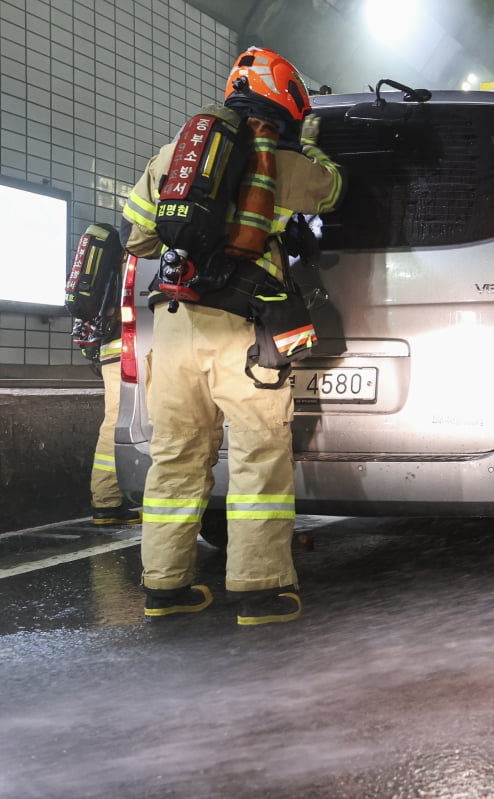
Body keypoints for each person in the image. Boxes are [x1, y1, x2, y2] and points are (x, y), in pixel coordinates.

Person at [121, 46, 345, 624]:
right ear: (285, 99)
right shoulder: (280, 157)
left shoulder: (180, 152)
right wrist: (313, 142)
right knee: (257, 461)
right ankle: (259, 591)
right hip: (242, 330)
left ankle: (165, 589)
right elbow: (332, 191)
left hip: (172, 328)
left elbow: (139, 241)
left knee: (173, 460)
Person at [75, 317, 141, 525]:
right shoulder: (125, 282)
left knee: (116, 421)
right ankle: (107, 503)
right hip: (132, 347)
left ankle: (107, 503)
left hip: (113, 348)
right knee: (121, 422)